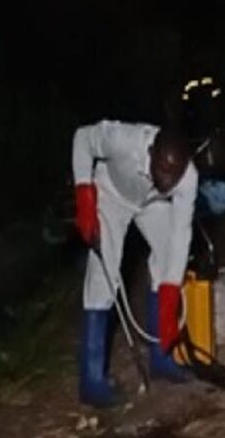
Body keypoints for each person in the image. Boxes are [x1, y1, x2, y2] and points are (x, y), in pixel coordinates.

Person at [72, 121, 198, 408]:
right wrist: (84, 195)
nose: (168, 180)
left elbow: (181, 235)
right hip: (112, 194)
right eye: (163, 170)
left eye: (174, 176)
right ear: (151, 152)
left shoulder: (186, 178)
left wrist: (169, 296)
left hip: (151, 202)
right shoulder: (122, 139)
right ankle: (91, 381)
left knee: (168, 255)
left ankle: (161, 358)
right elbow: (82, 139)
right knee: (103, 278)